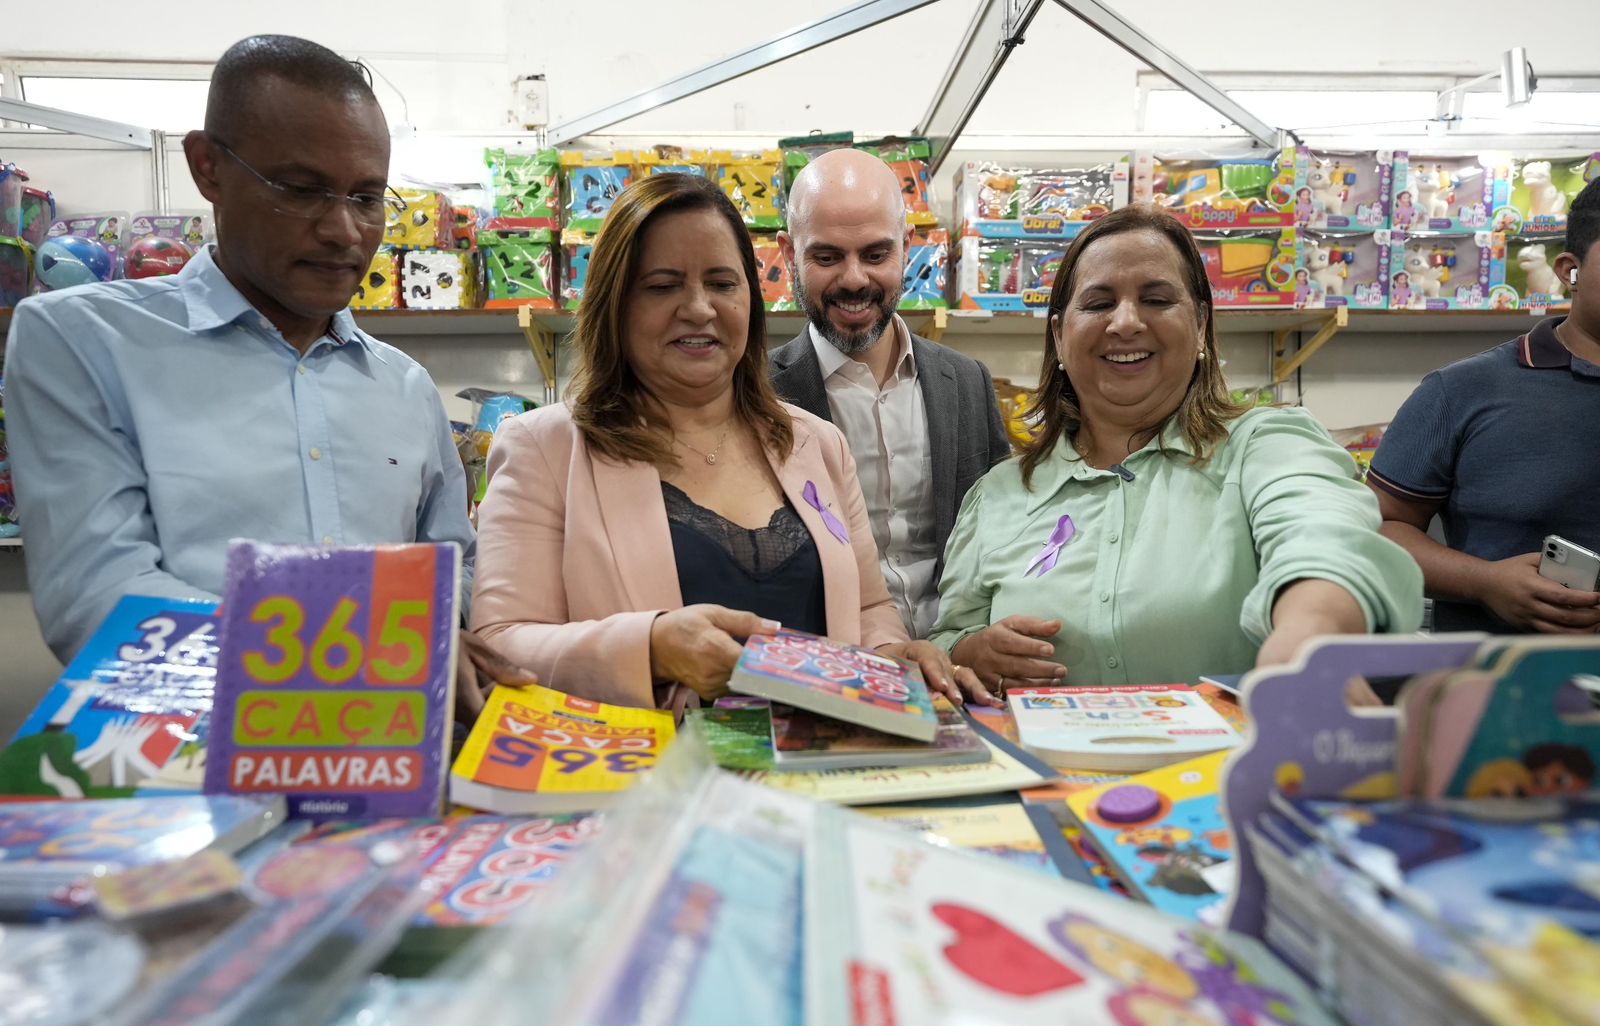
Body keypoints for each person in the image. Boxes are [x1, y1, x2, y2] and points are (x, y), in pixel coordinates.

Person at [4, 36, 491, 687]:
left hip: (383, 767)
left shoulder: (403, 386)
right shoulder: (80, 341)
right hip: (179, 770)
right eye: (302, 189)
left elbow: (451, 571)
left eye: (368, 197)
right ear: (208, 167)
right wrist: (361, 665)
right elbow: (101, 597)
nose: (344, 231)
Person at [471, 173, 984, 710]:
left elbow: (867, 609)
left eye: (722, 283)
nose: (698, 308)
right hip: (641, 782)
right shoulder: (543, 448)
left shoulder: (816, 444)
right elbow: (498, 645)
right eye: (663, 285)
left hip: (819, 776)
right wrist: (650, 646)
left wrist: (895, 655)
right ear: (615, 303)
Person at [928, 205, 1423, 693]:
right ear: (1059, 336)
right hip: (1043, 770)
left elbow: (1324, 540)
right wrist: (970, 653)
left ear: (1202, 325)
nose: (1125, 322)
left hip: (1228, 769)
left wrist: (1307, 637)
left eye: (1156, 300)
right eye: (1098, 303)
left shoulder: (1266, 447)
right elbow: (948, 640)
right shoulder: (998, 495)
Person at [770, 149, 1011, 640]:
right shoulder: (752, 394)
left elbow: (1002, 532)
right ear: (788, 254)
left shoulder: (967, 382)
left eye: (876, 254)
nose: (854, 279)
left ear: (907, 246)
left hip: (959, 662)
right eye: (827, 256)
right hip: (827, 670)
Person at [1369, 177, 1600, 634]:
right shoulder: (1461, 392)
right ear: (1570, 270)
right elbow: (1377, 529)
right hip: (1497, 687)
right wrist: (1485, 582)